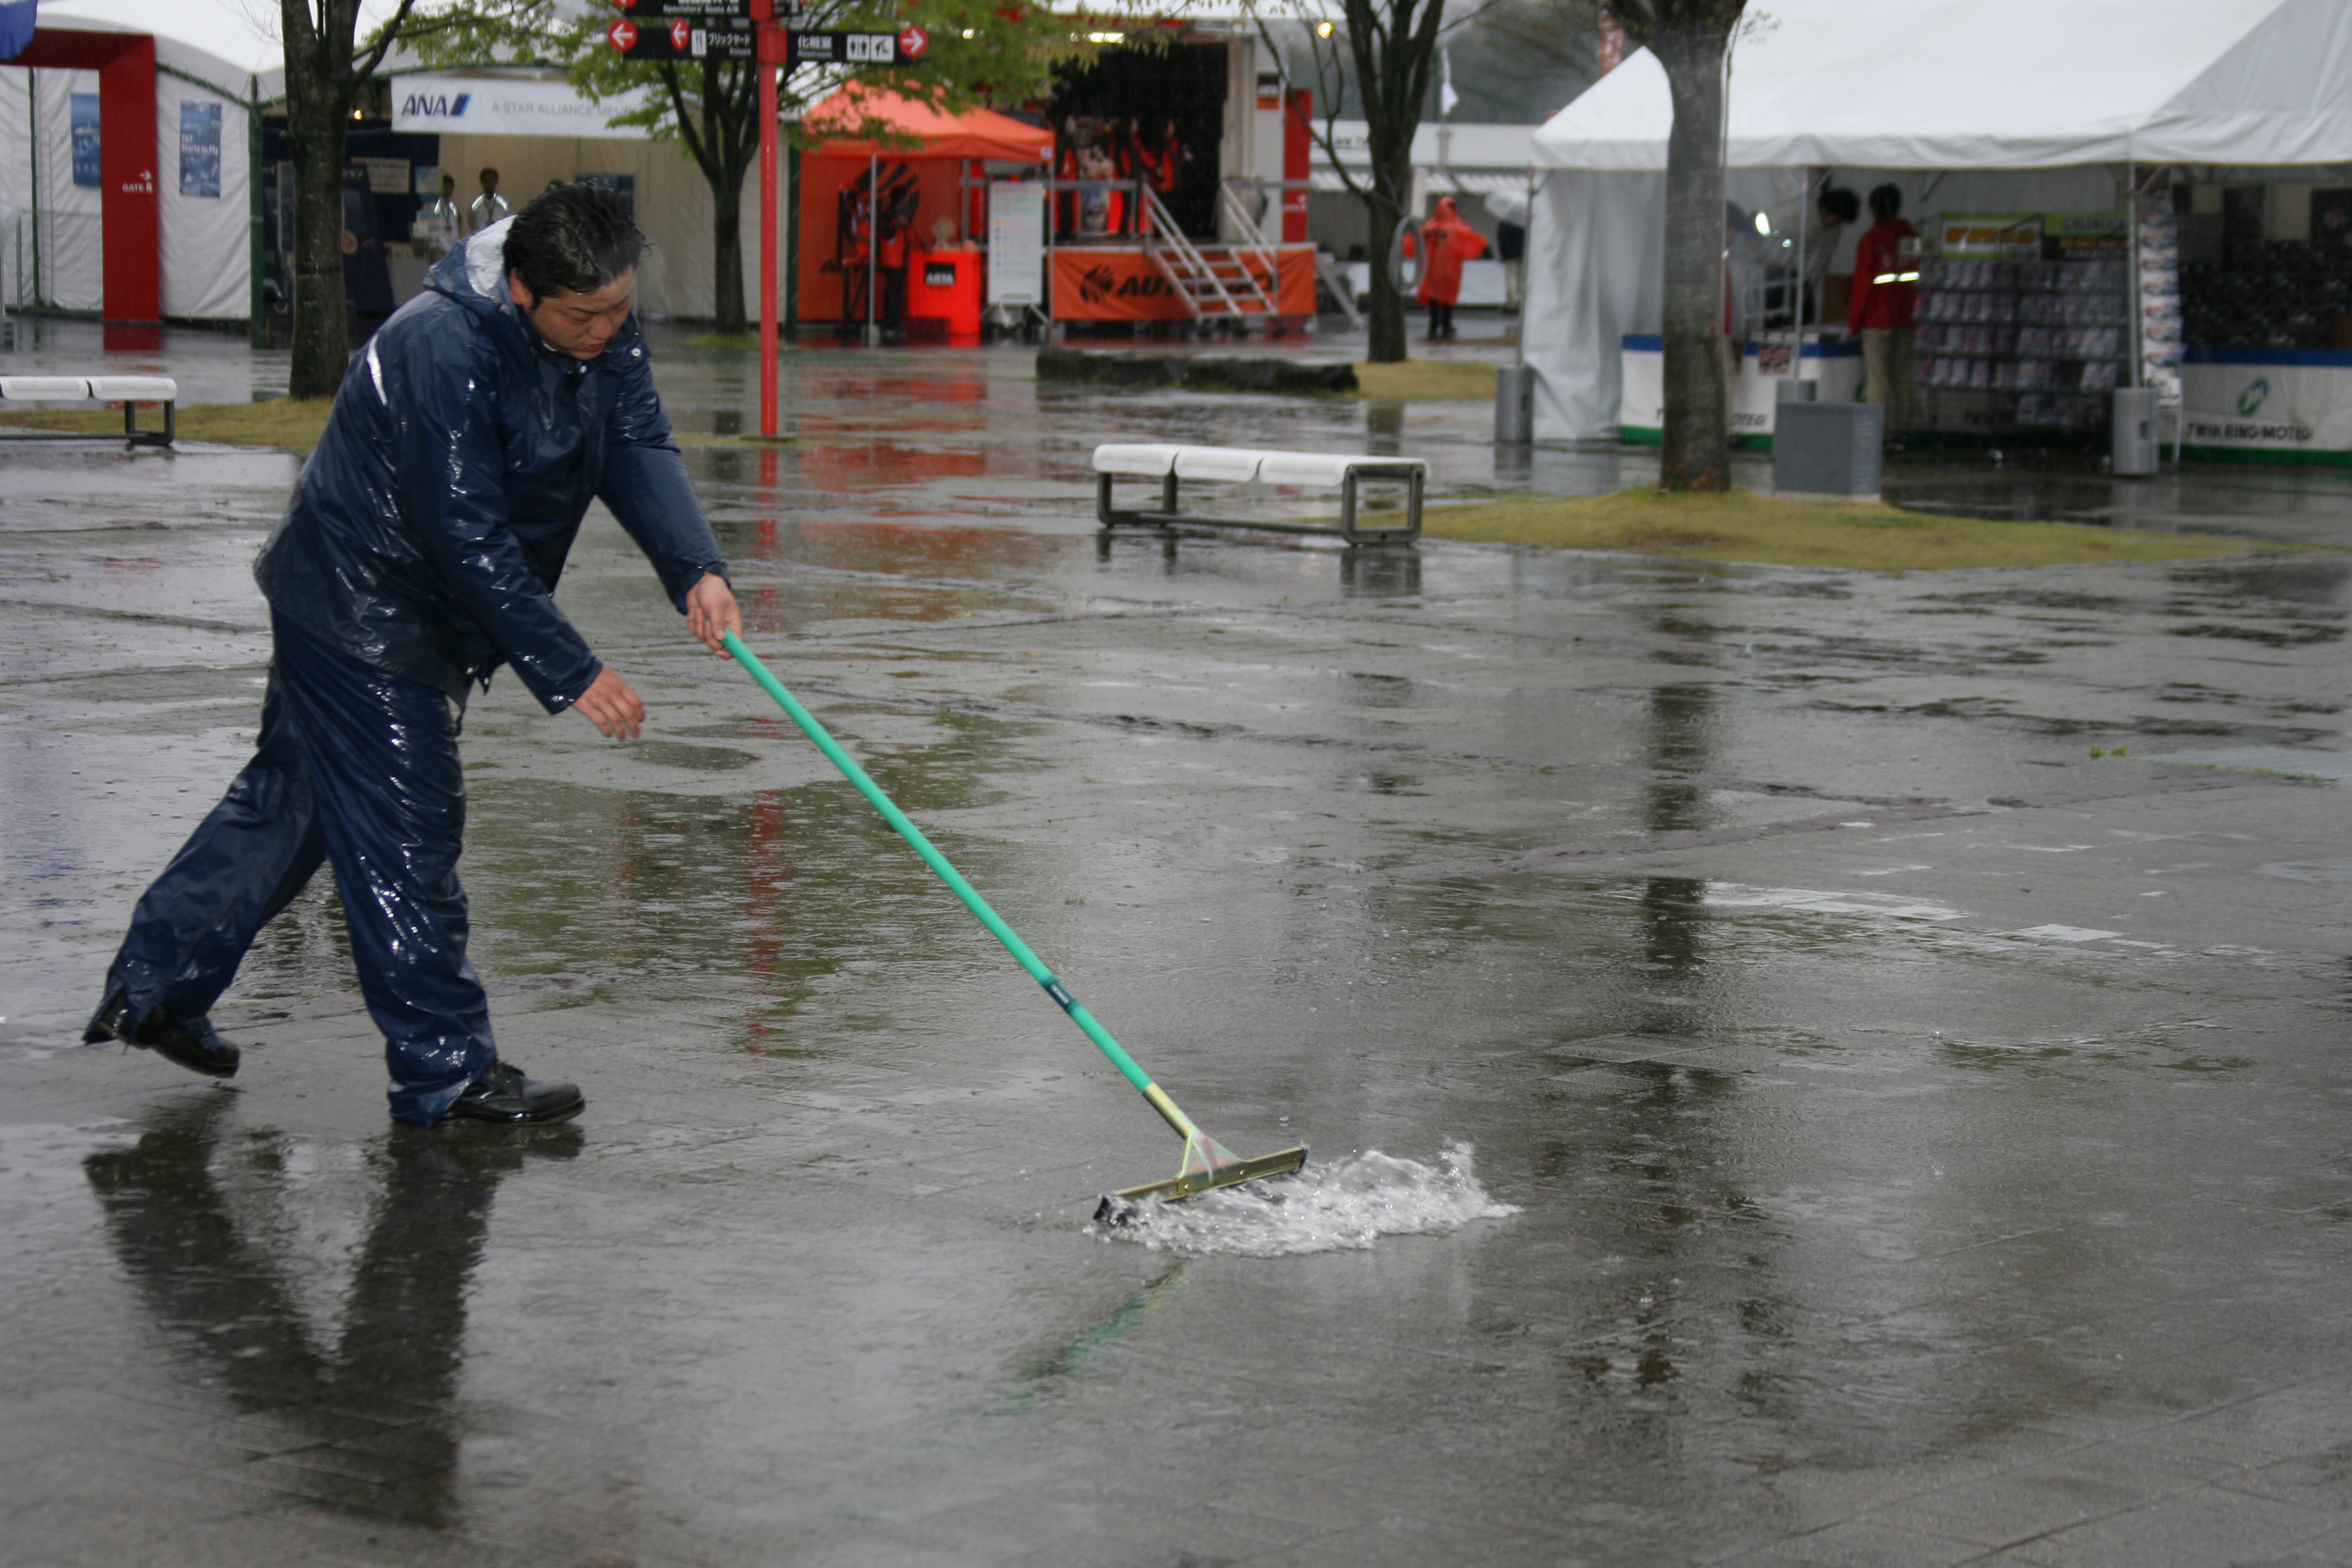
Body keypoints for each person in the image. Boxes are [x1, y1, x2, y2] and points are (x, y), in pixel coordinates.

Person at [83, 182, 742, 1128]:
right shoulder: (446, 346)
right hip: (364, 604)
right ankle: (444, 1072)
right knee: (408, 829)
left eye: (619, 310)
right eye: (584, 315)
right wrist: (573, 671)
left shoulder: (598, 323)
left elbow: (635, 440)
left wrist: (695, 569)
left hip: (387, 600)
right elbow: (465, 536)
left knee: (290, 807)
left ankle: (152, 986)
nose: (608, 330)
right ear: (522, 290)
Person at [1848, 182, 1919, 432]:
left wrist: (1855, 322)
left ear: (1872, 208)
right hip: (1908, 317)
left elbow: (1862, 286)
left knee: (1876, 377)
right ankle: (1904, 429)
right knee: (1902, 375)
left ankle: (1875, 433)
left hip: (1877, 320)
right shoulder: (1912, 237)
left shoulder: (1870, 240)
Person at [1414, 195, 1487, 340]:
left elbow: (1415, 245)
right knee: (1448, 297)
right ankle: (1446, 325)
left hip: (1431, 270)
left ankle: (1434, 325)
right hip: (1450, 269)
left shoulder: (1428, 227)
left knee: (1433, 297)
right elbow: (1467, 245)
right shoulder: (1458, 227)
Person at [1804, 185, 1859, 325]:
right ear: (1826, 210)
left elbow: (1823, 260)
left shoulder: (1834, 232)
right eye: (1837, 219)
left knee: (1806, 320)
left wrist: (1810, 285)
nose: (1837, 224)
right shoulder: (1800, 216)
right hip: (1782, 278)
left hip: (1808, 283)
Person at [415, 173, 461, 258]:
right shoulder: (431, 205)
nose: (448, 189)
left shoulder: (452, 208)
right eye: (446, 186)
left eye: (451, 187)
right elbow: (431, 232)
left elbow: (455, 230)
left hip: (450, 249)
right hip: (437, 249)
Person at [467, 166, 509, 234]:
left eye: (492, 180)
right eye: (486, 180)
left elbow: (508, 221)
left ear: (496, 182)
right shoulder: (474, 204)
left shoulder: (504, 203)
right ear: (482, 182)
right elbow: (471, 222)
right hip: (480, 239)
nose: (489, 183)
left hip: (498, 240)